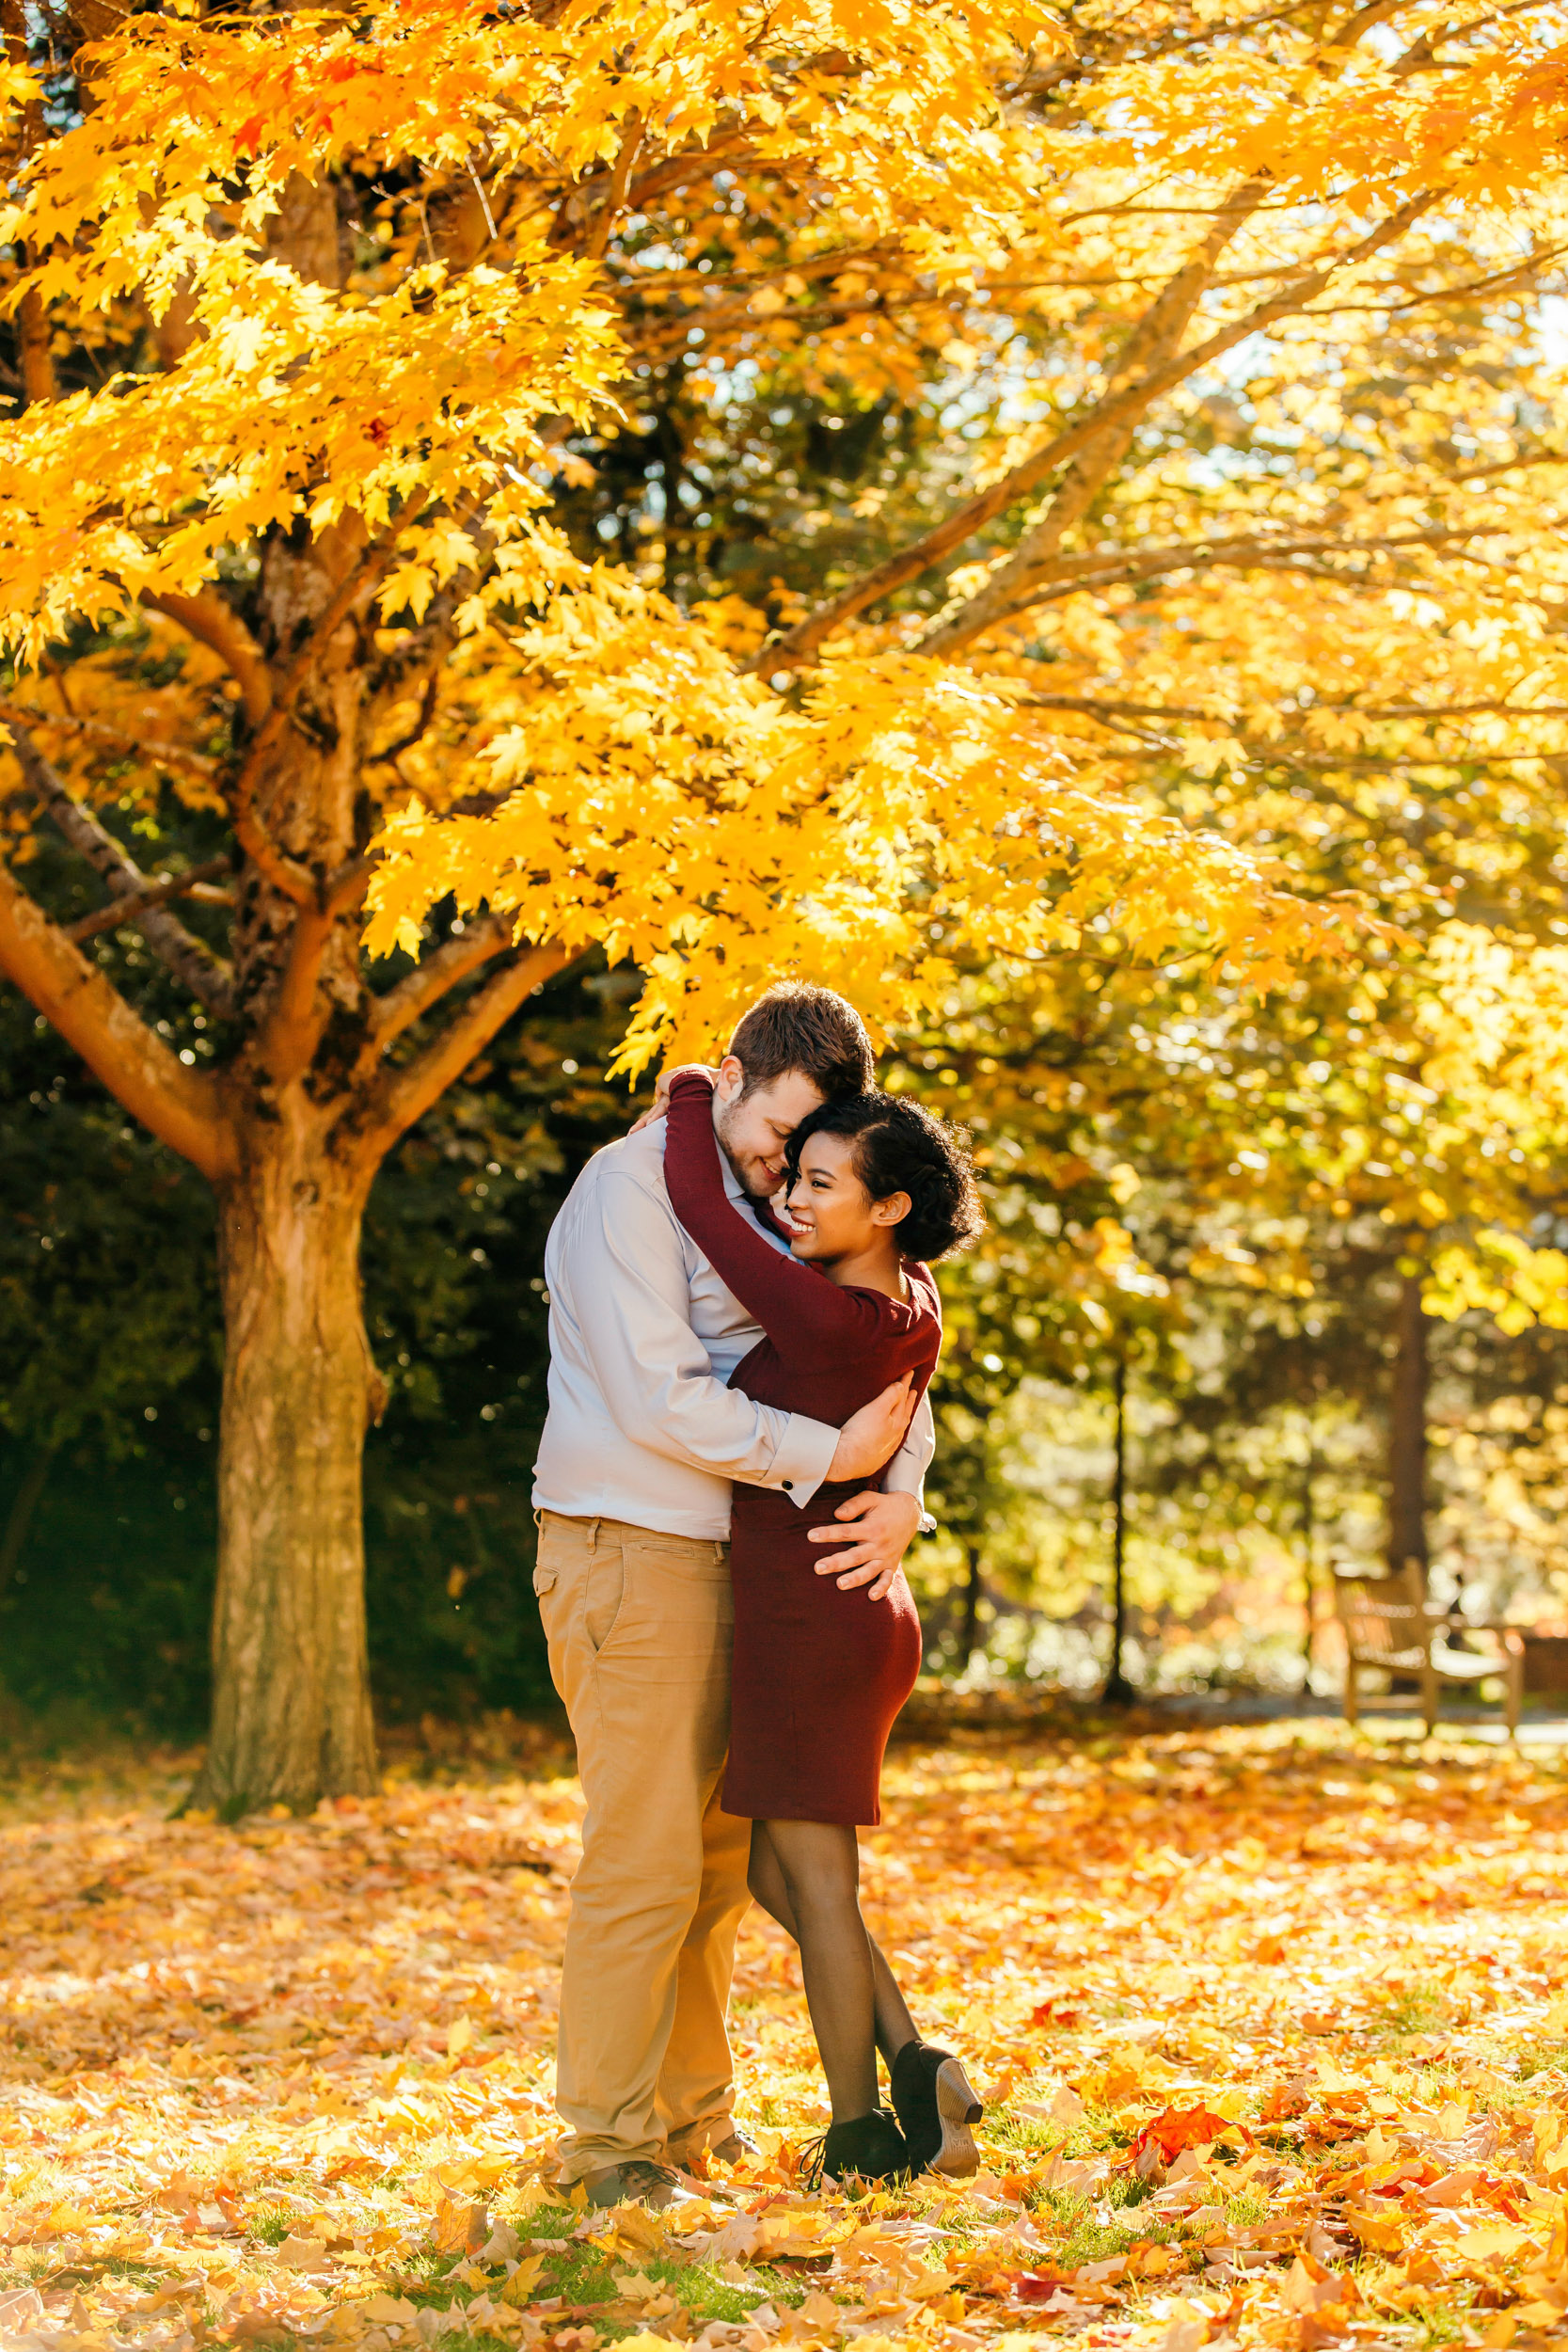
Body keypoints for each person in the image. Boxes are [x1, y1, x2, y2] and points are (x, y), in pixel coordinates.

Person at [531, 984, 936, 2207]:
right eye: (776, 1135)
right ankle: (604, 2148)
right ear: (733, 1073)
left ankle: (684, 2120)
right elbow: (666, 1402)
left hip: (731, 1563)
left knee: (712, 1870)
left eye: (809, 1152)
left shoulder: (770, 1201)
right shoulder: (627, 1192)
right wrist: (832, 1460)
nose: (781, 1167)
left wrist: (900, 1486)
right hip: (629, 1546)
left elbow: (872, 1342)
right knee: (643, 1863)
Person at [659, 1066, 986, 2186]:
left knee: (821, 1889)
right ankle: (914, 2063)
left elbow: (707, 1213)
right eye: (790, 1177)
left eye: (817, 1183)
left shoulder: (824, 1312)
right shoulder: (909, 1297)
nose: (788, 1202)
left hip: (818, 1628)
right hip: (832, 1617)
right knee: (776, 1882)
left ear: (887, 1207)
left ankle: (856, 2135)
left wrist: (696, 1094)